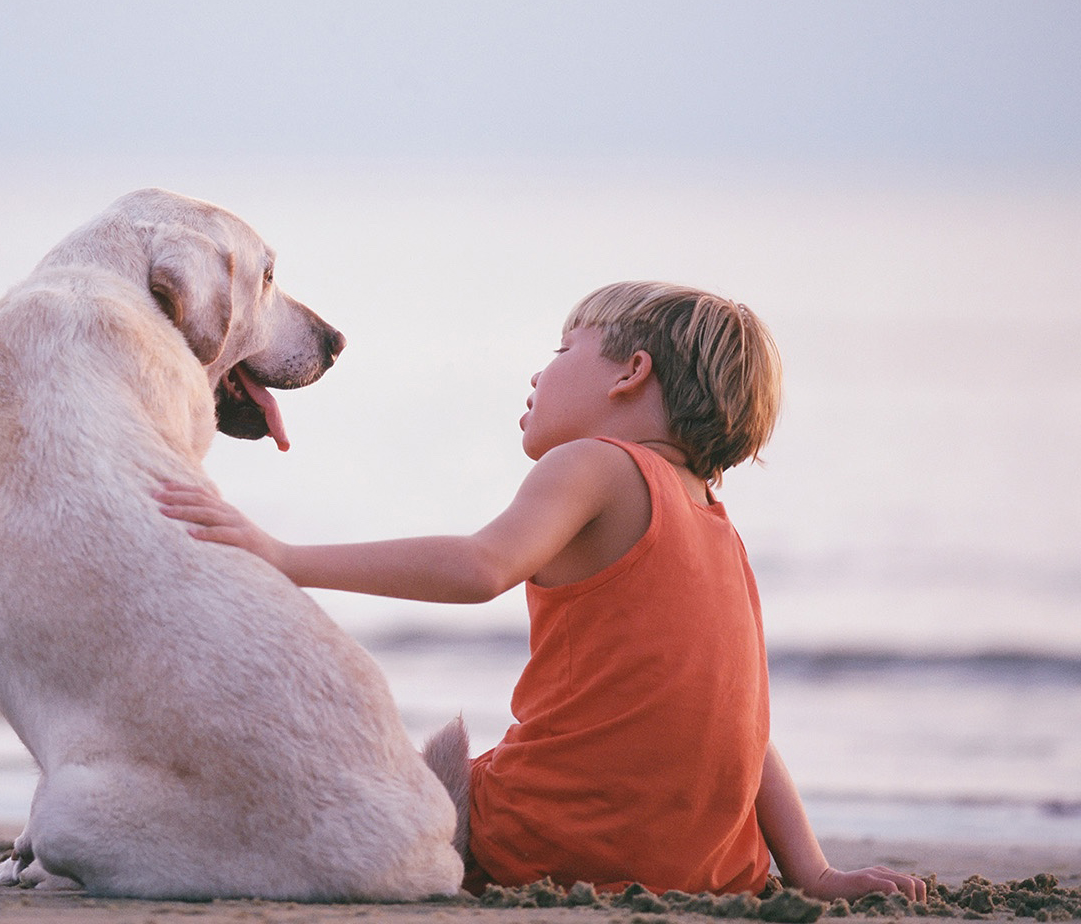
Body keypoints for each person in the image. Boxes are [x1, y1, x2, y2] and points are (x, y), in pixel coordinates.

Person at [155, 281, 926, 900]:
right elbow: (748, 732)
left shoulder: (595, 462)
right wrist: (814, 872)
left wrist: (283, 556)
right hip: (708, 871)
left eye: (563, 349)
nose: (539, 371)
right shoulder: (719, 529)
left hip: (552, 834)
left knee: (335, 776)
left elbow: (482, 566)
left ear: (632, 374)